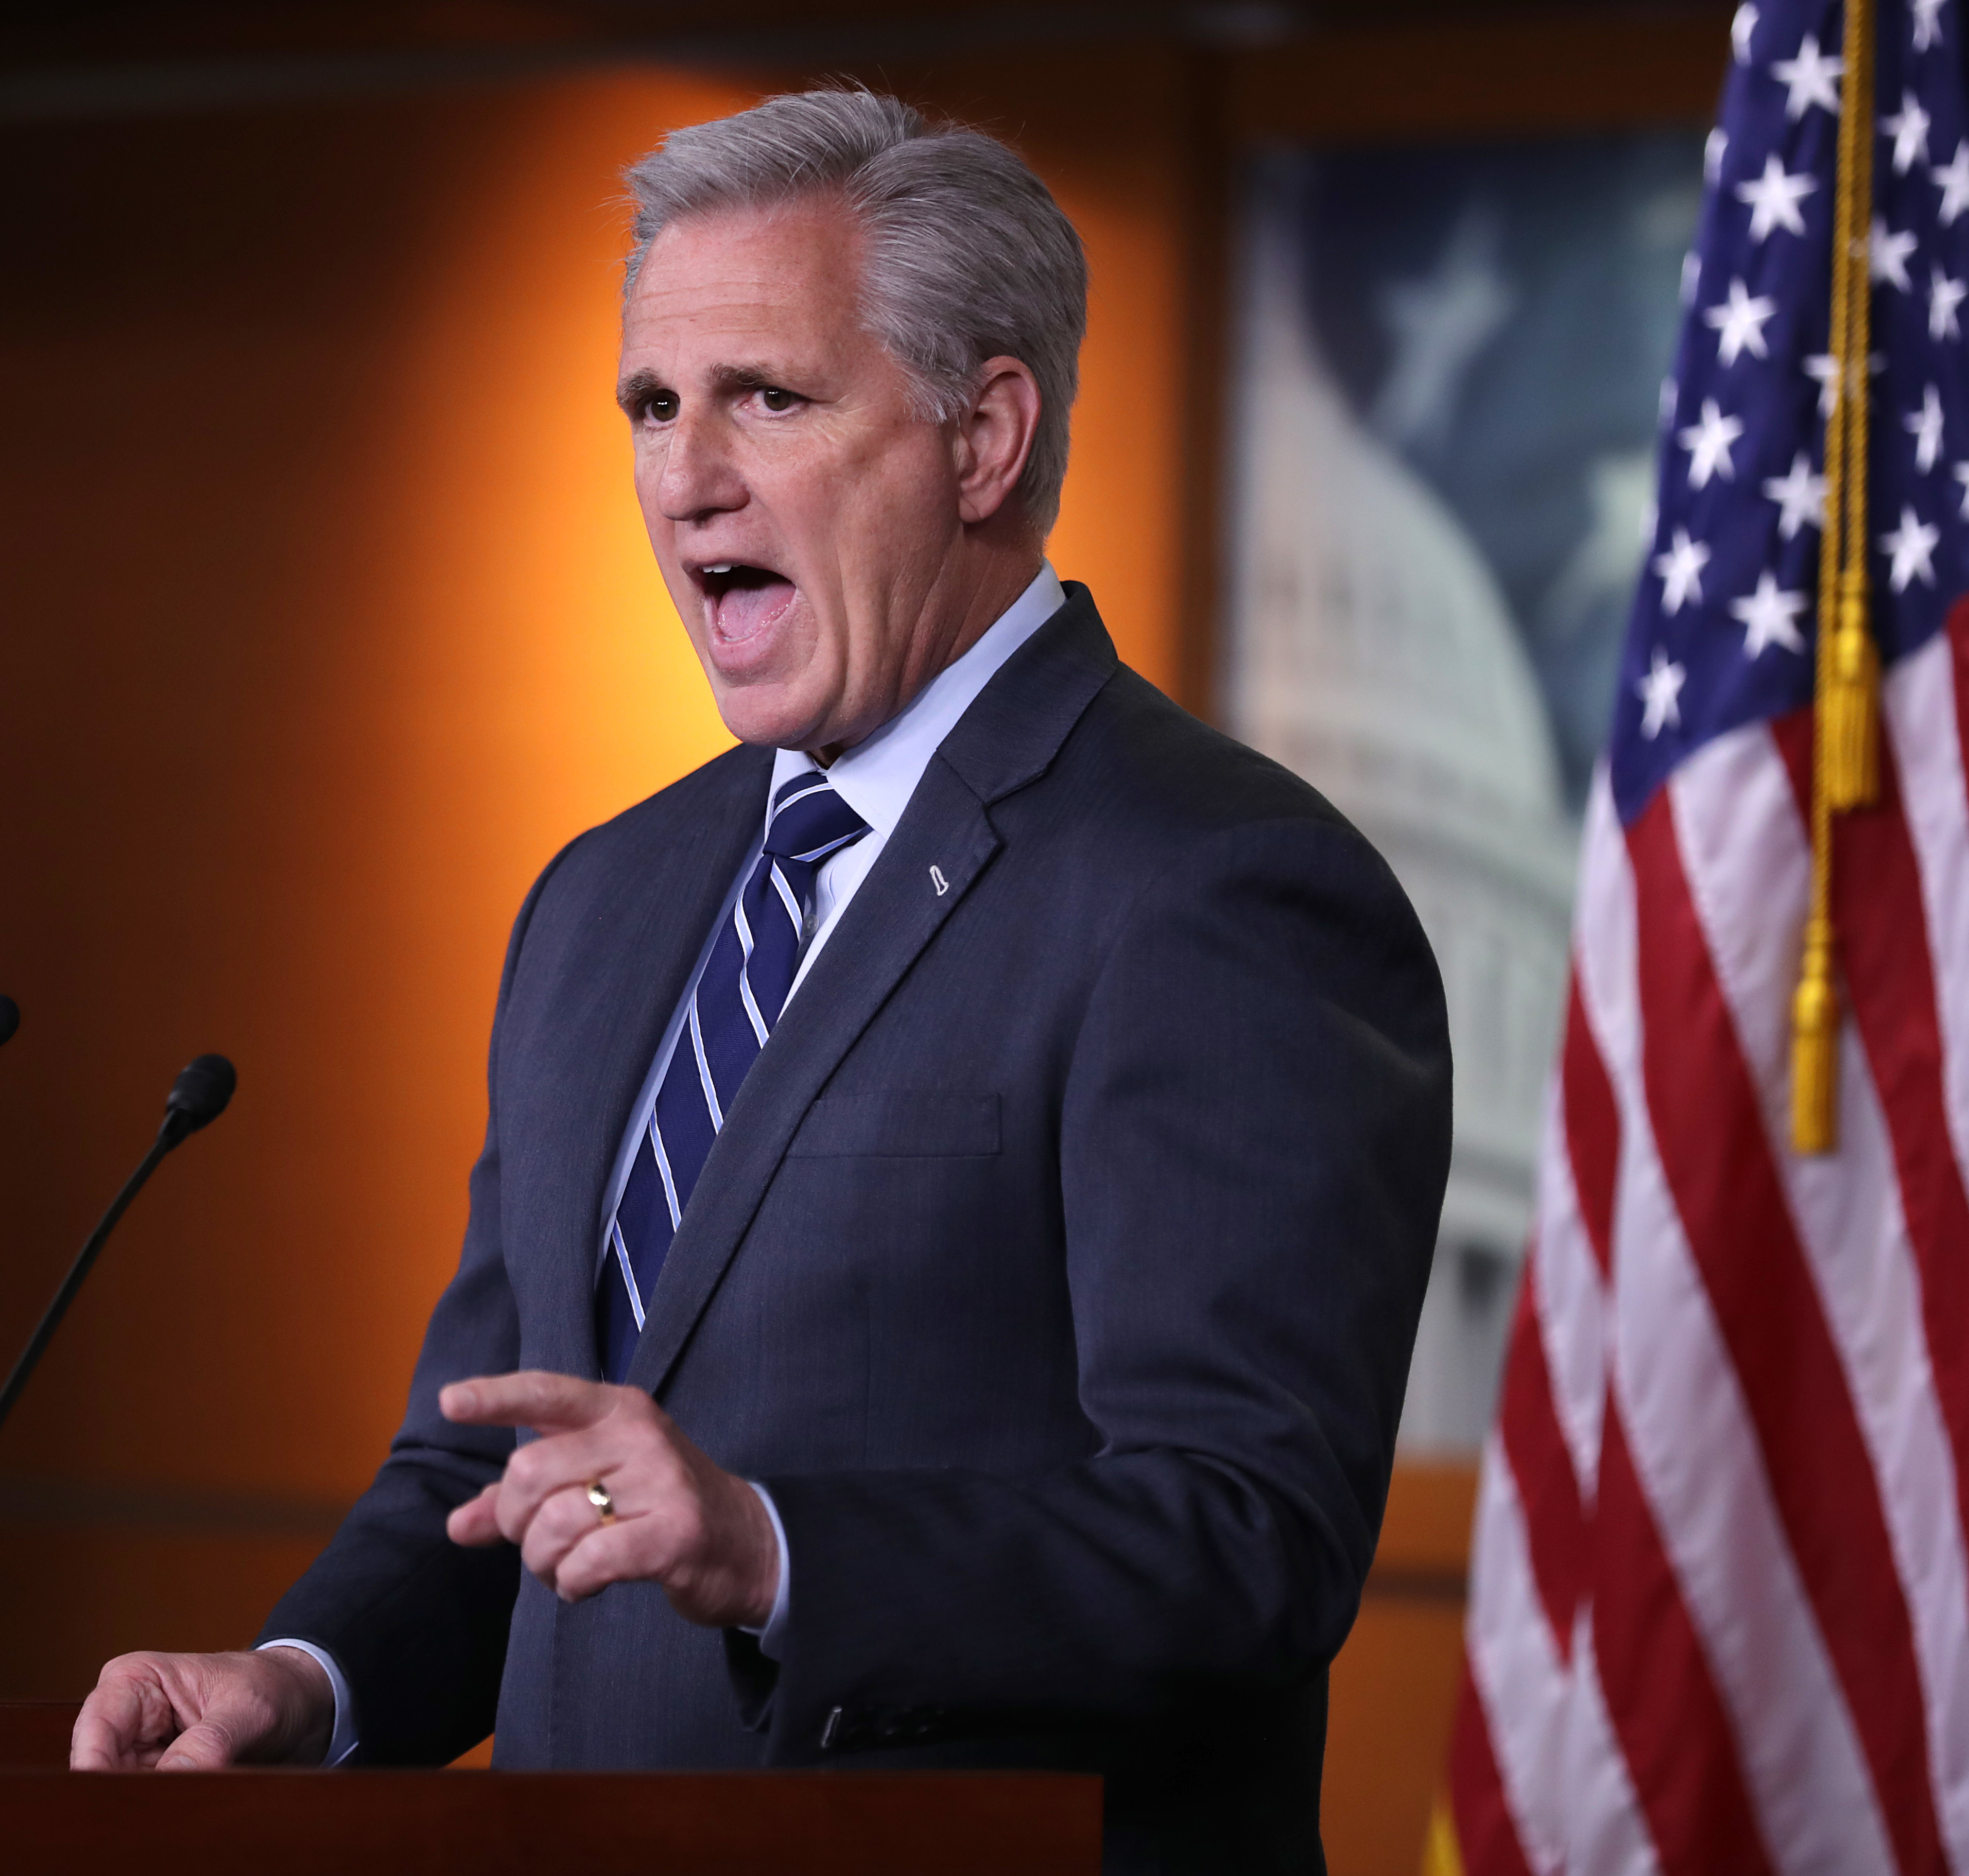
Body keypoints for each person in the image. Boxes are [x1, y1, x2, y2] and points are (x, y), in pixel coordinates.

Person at [72, 87, 1450, 1872]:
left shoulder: (1214, 885)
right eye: (651, 404)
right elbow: (494, 1456)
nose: (682, 474)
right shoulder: (606, 894)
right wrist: (309, 1678)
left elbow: (1244, 1538)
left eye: (767, 399)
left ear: (982, 438)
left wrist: (773, 1544)